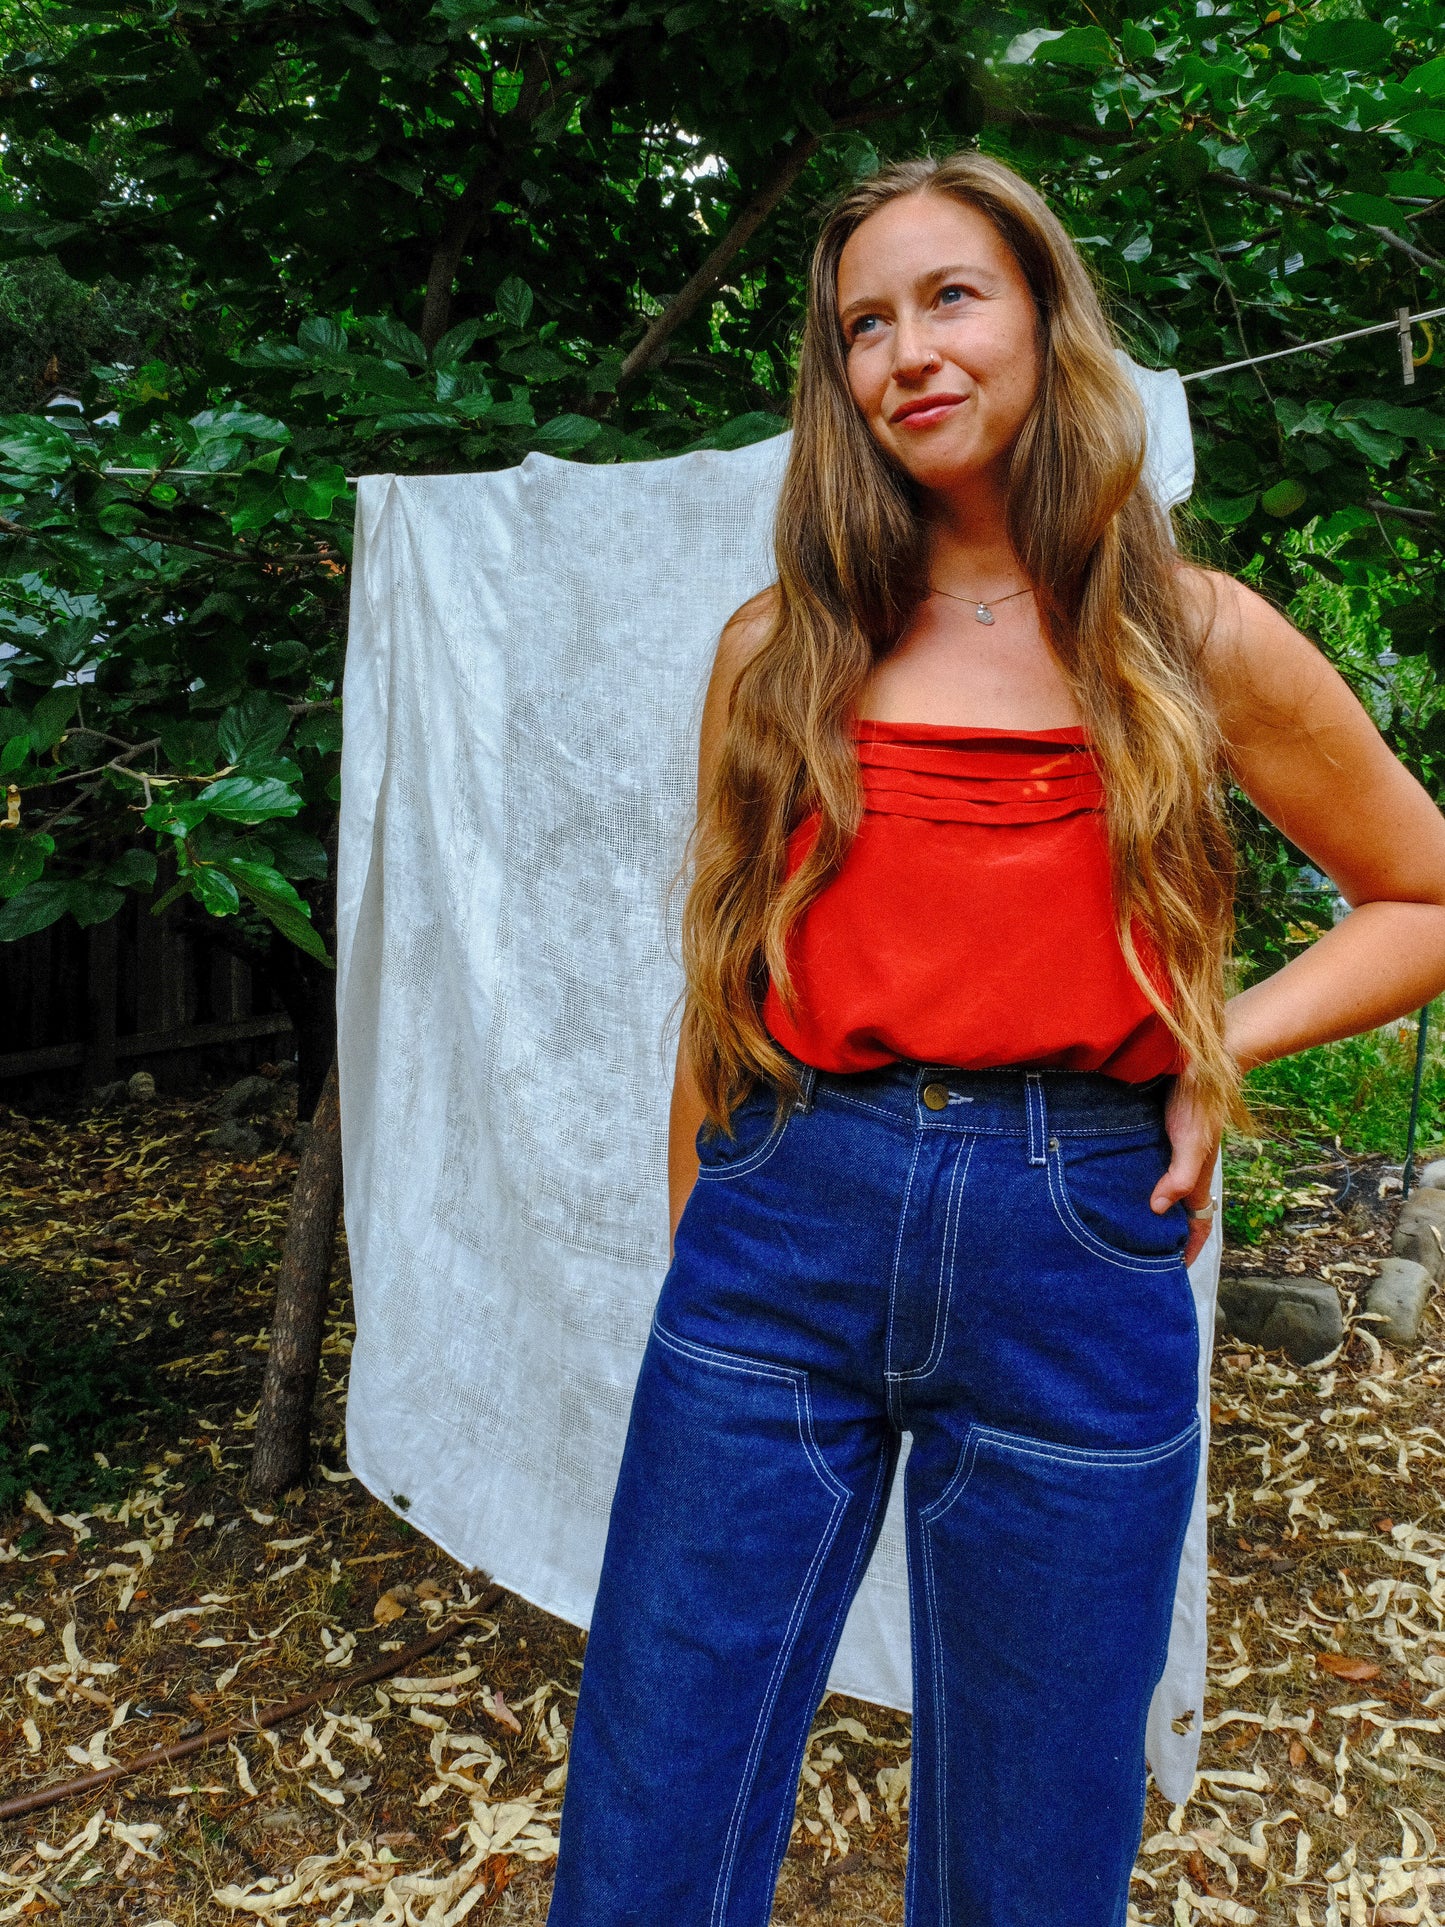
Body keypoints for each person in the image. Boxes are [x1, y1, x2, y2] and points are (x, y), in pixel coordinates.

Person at [545, 153, 1445, 1927]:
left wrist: (1215, 1041)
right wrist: (694, 1257)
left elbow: (1418, 894)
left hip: (1075, 1240)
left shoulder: (1194, 639)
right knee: (653, 1806)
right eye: (863, 326)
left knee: (1032, 1849)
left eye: (949, 297)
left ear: (1042, 315)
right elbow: (724, 983)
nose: (907, 352)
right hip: (780, 1223)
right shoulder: (780, 651)